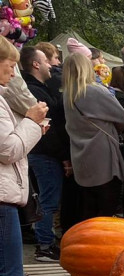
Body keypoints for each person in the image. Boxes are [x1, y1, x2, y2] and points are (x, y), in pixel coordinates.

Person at [0, 36, 46, 276]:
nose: (14, 72)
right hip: (1, 201)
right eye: (10, 64)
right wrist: (31, 122)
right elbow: (8, 149)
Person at [63, 53, 124, 219]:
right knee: (107, 208)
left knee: (89, 209)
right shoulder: (94, 91)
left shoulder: (67, 95)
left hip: (81, 159)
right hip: (103, 158)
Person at [20, 46, 66, 263]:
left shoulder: (39, 88)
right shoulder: (35, 92)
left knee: (48, 198)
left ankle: (45, 241)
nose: (51, 65)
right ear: (36, 64)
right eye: (47, 61)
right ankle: (45, 245)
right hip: (45, 153)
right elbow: (50, 130)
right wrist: (63, 155)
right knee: (48, 200)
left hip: (44, 153)